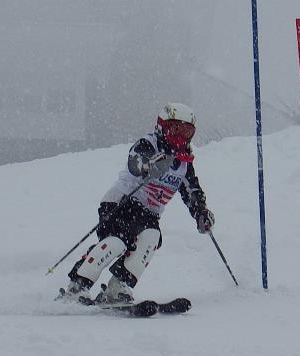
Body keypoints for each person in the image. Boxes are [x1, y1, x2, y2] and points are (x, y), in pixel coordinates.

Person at [58, 102, 215, 304]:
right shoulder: (149, 144)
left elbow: (192, 192)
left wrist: (201, 212)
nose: (181, 137)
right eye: (176, 129)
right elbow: (135, 161)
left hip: (148, 213)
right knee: (117, 242)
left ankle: (118, 286)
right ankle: (77, 286)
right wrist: (148, 165)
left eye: (187, 132)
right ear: (162, 127)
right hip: (122, 203)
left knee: (151, 238)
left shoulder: (184, 164)